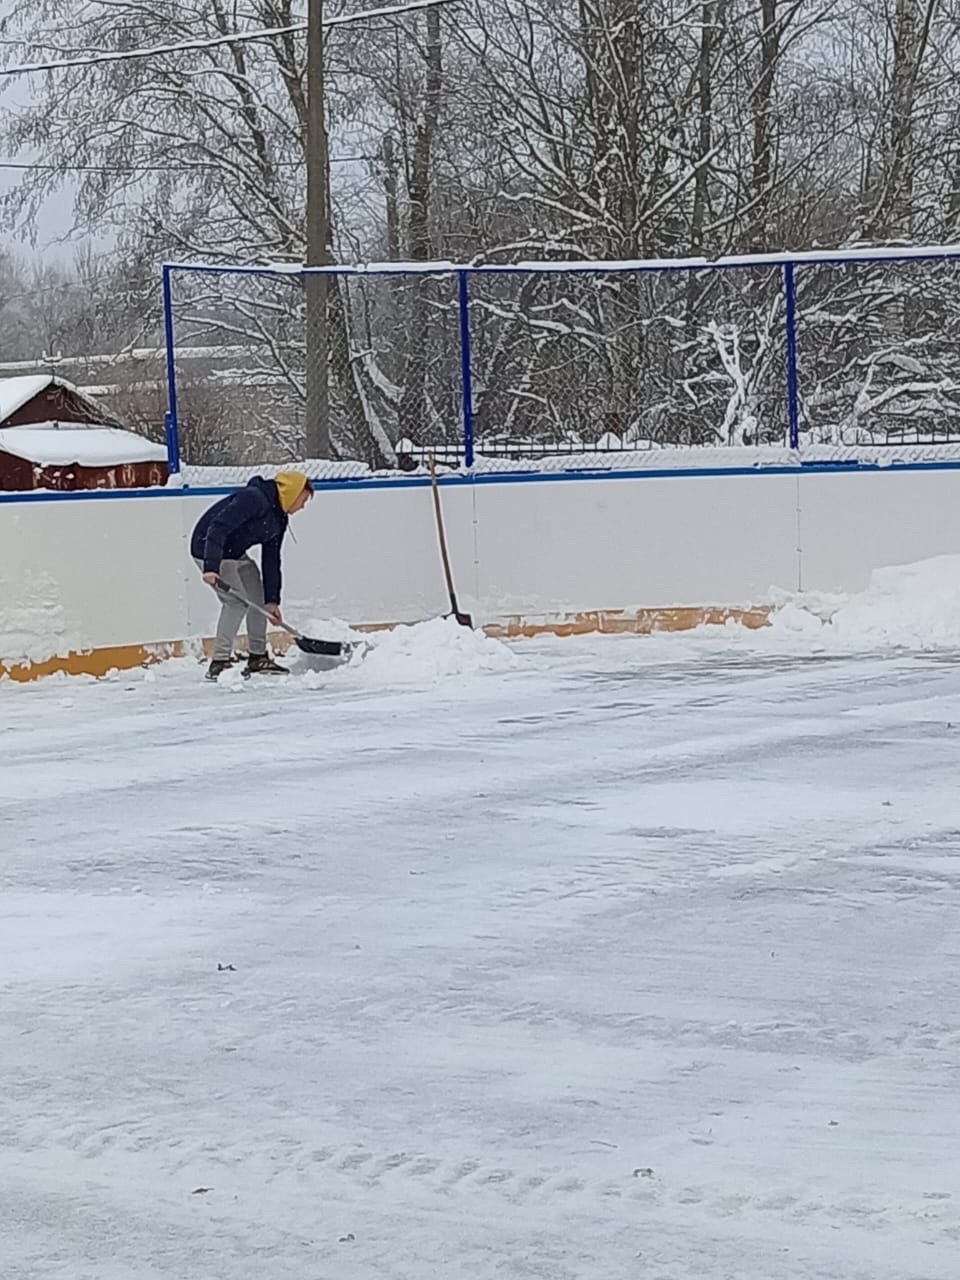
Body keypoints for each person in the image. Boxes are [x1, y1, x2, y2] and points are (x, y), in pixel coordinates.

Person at [191, 471, 314, 681]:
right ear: (292, 493)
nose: (302, 507)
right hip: (209, 549)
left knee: (258, 597)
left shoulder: (279, 518)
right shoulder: (254, 499)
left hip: (235, 552)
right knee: (236, 602)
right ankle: (219, 662)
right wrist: (211, 566)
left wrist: (273, 600)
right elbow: (218, 527)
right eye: (302, 500)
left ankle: (257, 657)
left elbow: (272, 559)